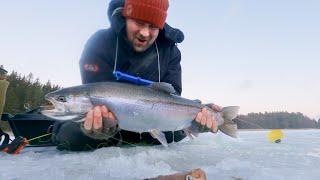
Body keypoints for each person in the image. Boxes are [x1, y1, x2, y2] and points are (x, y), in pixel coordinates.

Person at [52, 0, 221, 151]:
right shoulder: (100, 43)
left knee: (179, 131)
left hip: (157, 124)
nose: (145, 33)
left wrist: (200, 111)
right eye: (139, 23)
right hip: (113, 129)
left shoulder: (170, 51)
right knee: (68, 135)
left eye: (153, 26)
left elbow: (174, 93)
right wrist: (99, 125)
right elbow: (93, 85)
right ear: (126, 16)